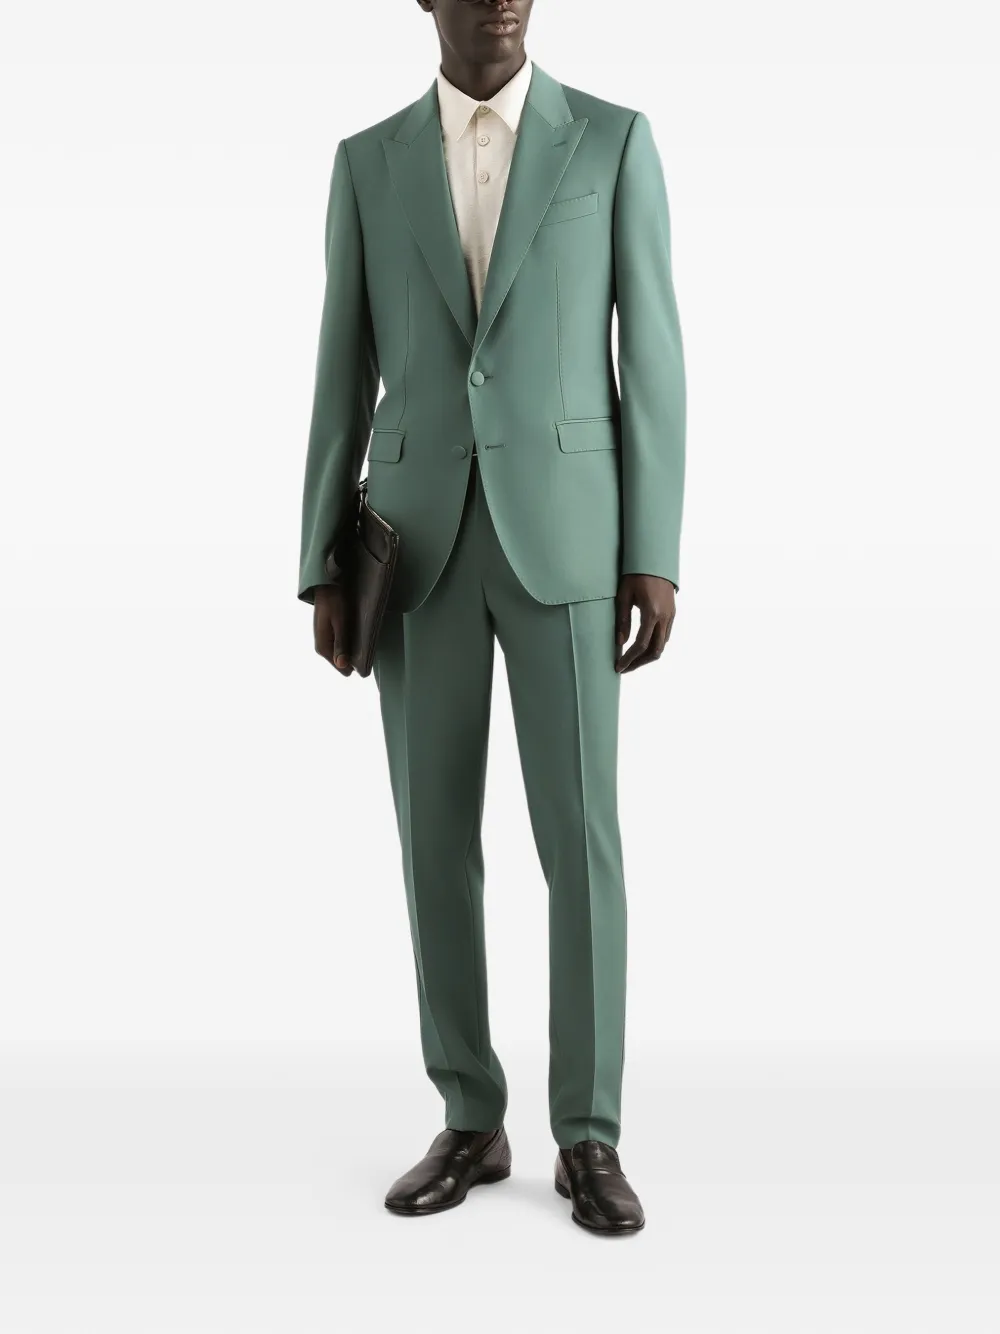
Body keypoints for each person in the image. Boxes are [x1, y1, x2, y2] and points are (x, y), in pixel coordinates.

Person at [298, 0, 685, 1235]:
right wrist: (319, 557)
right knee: (433, 840)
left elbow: (653, 355)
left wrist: (653, 549)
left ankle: (589, 1131)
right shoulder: (367, 164)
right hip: (414, 550)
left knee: (581, 841)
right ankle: (470, 1112)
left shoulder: (612, 142)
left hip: (568, 542)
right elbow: (340, 366)